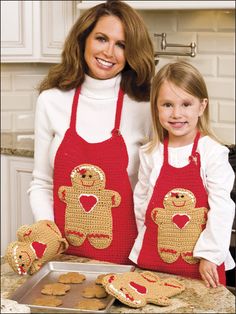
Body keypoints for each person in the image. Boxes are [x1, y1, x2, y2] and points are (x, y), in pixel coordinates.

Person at [28, 0, 155, 265]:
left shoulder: (145, 106)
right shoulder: (51, 101)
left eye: (121, 45)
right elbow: (42, 183)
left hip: (127, 261)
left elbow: (156, 190)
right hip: (62, 257)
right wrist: (49, 233)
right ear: (83, 39)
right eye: (101, 39)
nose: (109, 52)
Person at [129, 61, 235, 287]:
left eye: (186, 104)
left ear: (201, 106)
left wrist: (209, 256)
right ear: (156, 108)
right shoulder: (151, 154)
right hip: (154, 261)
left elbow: (222, 209)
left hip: (202, 267)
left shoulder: (212, 153)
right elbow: (142, 204)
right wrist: (144, 242)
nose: (176, 114)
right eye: (167, 104)